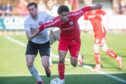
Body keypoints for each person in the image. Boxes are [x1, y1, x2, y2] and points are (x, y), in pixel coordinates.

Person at [32, 4, 102, 84]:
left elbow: (85, 9)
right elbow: (43, 26)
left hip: (75, 42)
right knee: (61, 59)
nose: (65, 17)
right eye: (62, 15)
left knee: (74, 63)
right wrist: (33, 34)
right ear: (59, 15)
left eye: (66, 15)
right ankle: (62, 80)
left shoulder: (74, 15)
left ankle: (77, 58)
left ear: (68, 13)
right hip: (64, 41)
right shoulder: (57, 21)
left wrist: (96, 7)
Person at [83, 0, 122, 71]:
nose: (86, 2)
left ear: (91, 0)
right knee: (105, 49)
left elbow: (106, 14)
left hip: (100, 31)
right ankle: (118, 58)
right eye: (85, 0)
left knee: (95, 48)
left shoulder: (96, 8)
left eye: (87, 0)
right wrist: (85, 28)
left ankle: (98, 66)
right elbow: (86, 19)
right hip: (96, 32)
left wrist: (107, 25)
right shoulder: (86, 11)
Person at [24, 2, 53, 84]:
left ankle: (47, 68)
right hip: (33, 43)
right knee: (29, 64)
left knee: (45, 64)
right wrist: (39, 29)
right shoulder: (27, 21)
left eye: (32, 9)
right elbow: (29, 37)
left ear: (36, 9)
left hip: (44, 43)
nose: (31, 11)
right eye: (29, 10)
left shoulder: (44, 15)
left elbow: (55, 19)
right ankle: (39, 80)